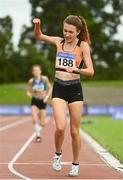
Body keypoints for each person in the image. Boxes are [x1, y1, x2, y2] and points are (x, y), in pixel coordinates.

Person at [33, 15, 94, 176]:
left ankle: (75, 164)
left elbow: (91, 71)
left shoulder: (83, 46)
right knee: (60, 128)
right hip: (59, 87)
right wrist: (38, 25)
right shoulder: (59, 42)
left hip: (75, 89)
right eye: (64, 30)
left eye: (70, 32)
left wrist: (76, 69)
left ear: (78, 32)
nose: (66, 34)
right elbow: (39, 36)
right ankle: (58, 155)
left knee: (74, 132)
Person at [27, 64, 52, 142]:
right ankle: (38, 136)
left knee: (42, 123)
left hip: (43, 101)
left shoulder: (44, 79)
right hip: (35, 100)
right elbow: (28, 91)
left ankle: (39, 115)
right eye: (34, 70)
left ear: (40, 71)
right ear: (33, 72)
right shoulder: (31, 81)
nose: (36, 71)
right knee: (34, 119)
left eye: (38, 70)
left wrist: (47, 97)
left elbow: (50, 88)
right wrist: (30, 95)